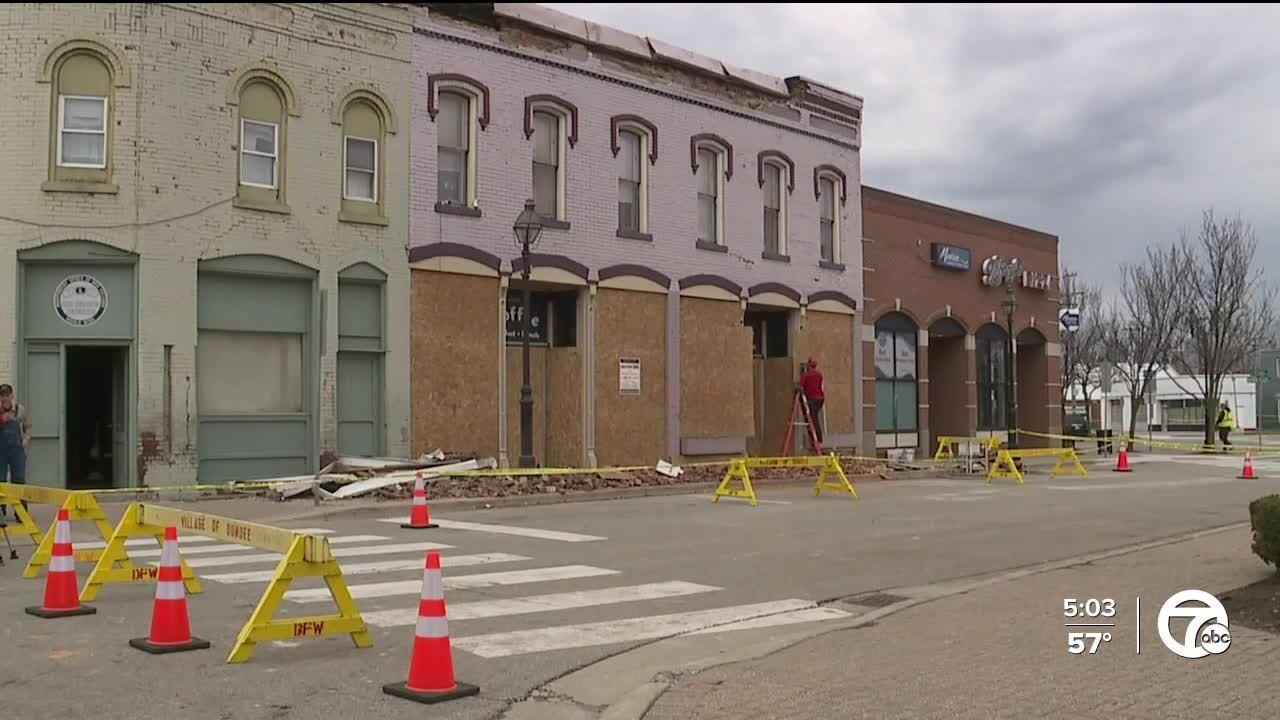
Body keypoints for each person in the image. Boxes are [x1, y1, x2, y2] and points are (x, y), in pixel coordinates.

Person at [0, 384, 31, 519]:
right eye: (2, 395)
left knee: (19, 481)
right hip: (1, 452)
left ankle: (21, 514)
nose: (5, 398)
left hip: (17, 451)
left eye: (8, 395)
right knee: (0, 482)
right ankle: (1, 514)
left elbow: (27, 426)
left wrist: (26, 439)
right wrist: (1, 420)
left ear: (12, 396)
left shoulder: (20, 410)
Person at [799, 357, 825, 444]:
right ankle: (815, 438)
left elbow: (801, 387)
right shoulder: (819, 374)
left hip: (812, 399)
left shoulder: (806, 375)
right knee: (814, 417)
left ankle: (817, 439)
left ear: (809, 365)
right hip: (820, 399)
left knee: (813, 419)